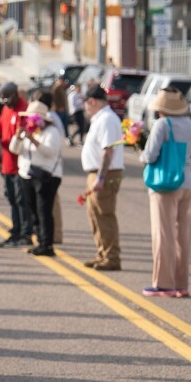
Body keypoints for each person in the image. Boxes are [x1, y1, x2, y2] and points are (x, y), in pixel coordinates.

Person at [139, 88, 191, 298]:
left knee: (163, 234)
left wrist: (139, 153)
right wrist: (185, 169)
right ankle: (181, 284)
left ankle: (163, 284)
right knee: (183, 235)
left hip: (164, 185)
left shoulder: (162, 125)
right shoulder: (190, 126)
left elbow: (150, 155)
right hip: (187, 183)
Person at [9, 100, 65, 256]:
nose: (29, 121)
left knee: (44, 211)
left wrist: (32, 139)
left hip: (46, 176)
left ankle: (47, 244)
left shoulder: (51, 132)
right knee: (33, 210)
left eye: (32, 118)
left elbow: (49, 152)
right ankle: (40, 241)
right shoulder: (28, 131)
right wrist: (19, 137)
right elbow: (14, 149)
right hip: (27, 174)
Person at [80, 85, 125, 270]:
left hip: (105, 173)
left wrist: (100, 177)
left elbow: (108, 150)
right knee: (95, 216)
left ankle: (111, 257)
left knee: (104, 215)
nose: (85, 108)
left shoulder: (106, 119)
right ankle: (102, 253)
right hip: (97, 172)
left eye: (86, 104)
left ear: (92, 102)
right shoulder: (101, 118)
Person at [0, 82, 31, 247]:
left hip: (20, 165)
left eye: (7, 99)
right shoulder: (6, 109)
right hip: (7, 164)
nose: (6, 103)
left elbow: (20, 139)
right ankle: (16, 230)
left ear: (15, 95)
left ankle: (25, 233)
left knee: (21, 199)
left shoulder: (24, 110)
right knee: (11, 198)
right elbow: (0, 129)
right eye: (2, 100)